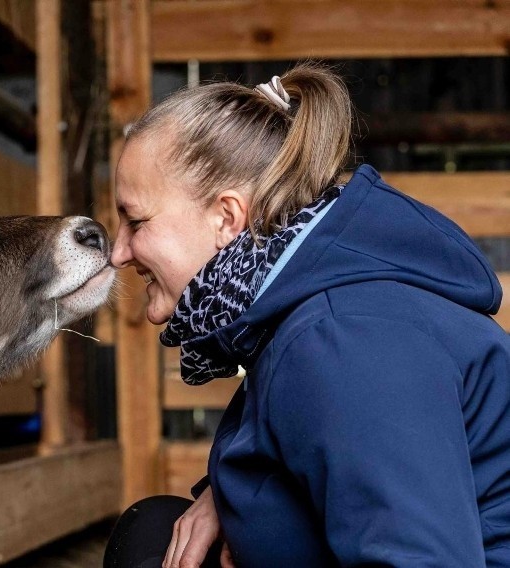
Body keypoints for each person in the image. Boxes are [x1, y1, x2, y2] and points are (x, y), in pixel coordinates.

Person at [103, 63, 510, 567]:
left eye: (135, 221)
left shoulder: (342, 338)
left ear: (227, 218)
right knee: (153, 530)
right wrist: (231, 492)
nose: (119, 254)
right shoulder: (297, 299)